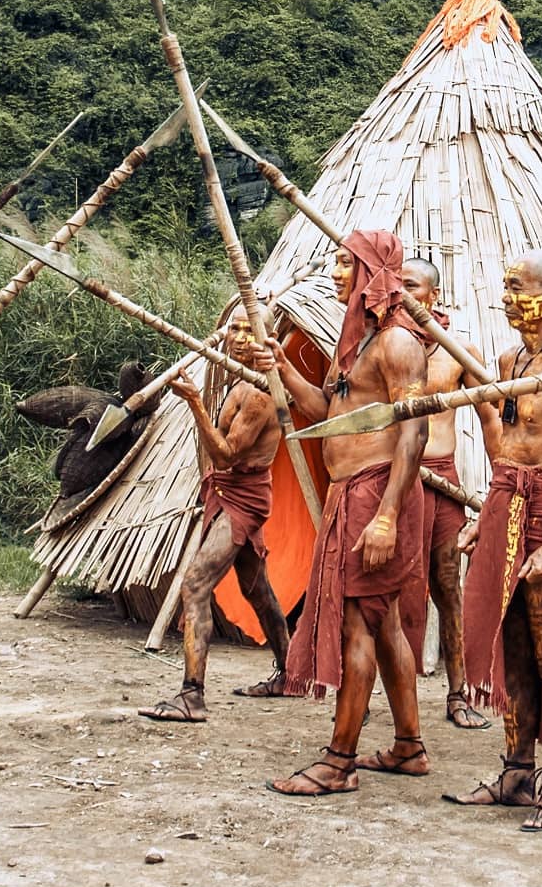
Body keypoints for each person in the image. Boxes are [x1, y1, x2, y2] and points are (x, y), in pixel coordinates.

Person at [266, 229, 442, 795]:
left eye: (347, 263)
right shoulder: (356, 343)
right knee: (383, 618)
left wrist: (387, 515)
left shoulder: (397, 343)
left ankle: (338, 762)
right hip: (354, 491)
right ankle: (409, 747)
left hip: (377, 494)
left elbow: (413, 432)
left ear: (373, 271)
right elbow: (329, 415)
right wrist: (283, 370)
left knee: (359, 624)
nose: (337, 272)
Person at [442, 250, 542, 831]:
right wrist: (484, 517)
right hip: (506, 508)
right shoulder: (511, 359)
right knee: (512, 655)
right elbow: (508, 449)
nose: (507, 298)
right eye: (506, 287)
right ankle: (516, 773)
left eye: (518, 288)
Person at [139, 312, 290, 721]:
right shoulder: (240, 381)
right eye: (234, 329)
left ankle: (192, 696)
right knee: (257, 589)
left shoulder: (260, 393)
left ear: (267, 338)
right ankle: (290, 674)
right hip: (228, 492)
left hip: (242, 498)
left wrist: (193, 403)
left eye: (249, 331)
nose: (239, 338)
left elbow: (226, 453)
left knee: (195, 584)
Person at [398, 255, 486, 729]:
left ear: (433, 296)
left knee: (448, 587)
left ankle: (460, 694)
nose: (403, 293)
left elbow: (494, 419)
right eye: (398, 285)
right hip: (400, 478)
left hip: (443, 478)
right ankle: (402, 696)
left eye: (412, 285)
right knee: (401, 588)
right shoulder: (387, 347)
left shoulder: (457, 352)